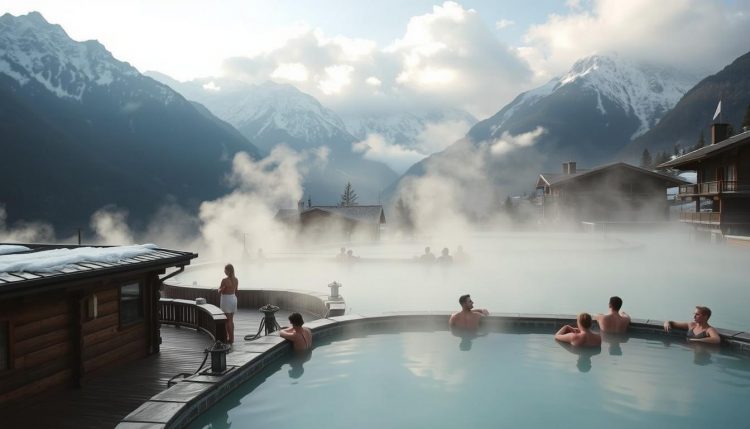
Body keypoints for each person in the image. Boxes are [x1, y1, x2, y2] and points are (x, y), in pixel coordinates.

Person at [218, 263, 238, 346]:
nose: (224, 271)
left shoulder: (224, 280)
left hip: (226, 300)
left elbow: (220, 291)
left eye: (225, 270)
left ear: (228, 271)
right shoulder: (236, 280)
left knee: (227, 320)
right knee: (231, 320)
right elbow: (236, 290)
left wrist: (220, 289)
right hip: (233, 298)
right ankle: (231, 338)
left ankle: (228, 338)